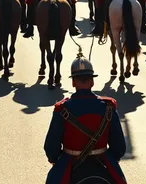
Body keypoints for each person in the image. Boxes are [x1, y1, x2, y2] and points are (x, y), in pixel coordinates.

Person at [43, 54, 127, 184]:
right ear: (92, 82)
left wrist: (57, 160)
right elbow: (119, 148)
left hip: (70, 163)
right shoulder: (108, 107)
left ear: (73, 82)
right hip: (102, 162)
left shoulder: (62, 109)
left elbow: (51, 149)